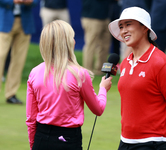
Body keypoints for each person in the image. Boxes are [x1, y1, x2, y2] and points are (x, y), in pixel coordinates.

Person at [26, 20, 113, 150]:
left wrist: (33, 144)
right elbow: (98, 109)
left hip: (41, 137)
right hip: (68, 139)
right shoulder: (80, 74)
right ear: (66, 43)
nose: (74, 41)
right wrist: (103, 89)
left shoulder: (35, 72)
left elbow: (31, 119)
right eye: (72, 38)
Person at [108, 7, 166, 150]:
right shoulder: (125, 63)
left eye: (128, 24)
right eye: (121, 26)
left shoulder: (161, 63)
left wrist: (164, 135)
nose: (123, 31)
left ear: (144, 28)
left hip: (154, 143)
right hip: (125, 141)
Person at [0, 0, 39, 104]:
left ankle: (11, 94)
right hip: (4, 21)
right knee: (0, 56)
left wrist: (29, 1)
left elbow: (36, 2)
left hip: (25, 23)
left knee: (19, 59)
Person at [81, 0, 111, 75]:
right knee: (91, 45)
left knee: (105, 45)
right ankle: (87, 71)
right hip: (91, 17)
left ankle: (101, 70)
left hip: (105, 16)